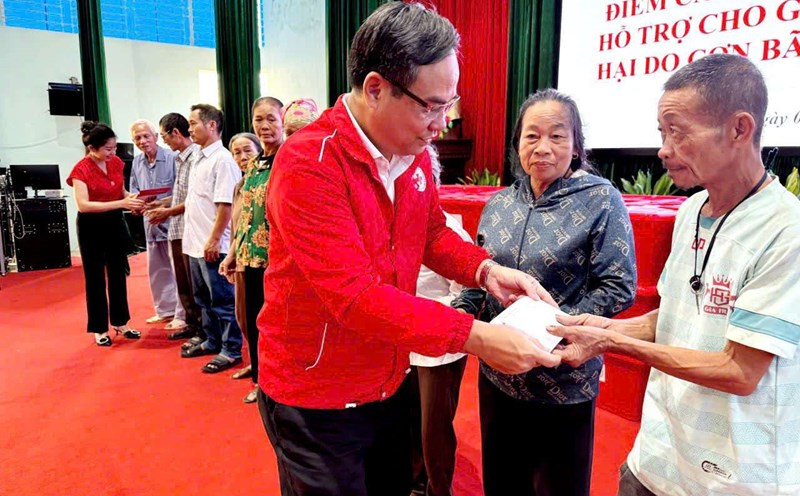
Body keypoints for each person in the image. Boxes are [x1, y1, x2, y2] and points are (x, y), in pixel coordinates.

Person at [256, 3, 561, 495]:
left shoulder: (411, 151)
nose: (442, 122)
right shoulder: (309, 163)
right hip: (317, 394)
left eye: (449, 104)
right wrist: (475, 337)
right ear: (376, 88)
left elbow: (432, 233)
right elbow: (354, 297)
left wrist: (485, 271)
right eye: (431, 106)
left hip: (388, 376)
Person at [549, 54, 800, 496]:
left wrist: (611, 343)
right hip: (656, 459)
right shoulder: (691, 211)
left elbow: (740, 371)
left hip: (733, 480)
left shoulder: (786, 229)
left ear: (739, 129)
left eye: (678, 132)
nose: (664, 149)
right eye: (662, 133)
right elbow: (675, 317)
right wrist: (603, 326)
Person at [451, 89, 637, 496]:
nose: (543, 148)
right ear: (517, 143)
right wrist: (460, 313)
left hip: (564, 375)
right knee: (503, 481)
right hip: (499, 371)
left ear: (576, 145)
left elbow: (618, 286)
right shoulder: (499, 204)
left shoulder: (601, 200)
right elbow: (481, 279)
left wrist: (551, 328)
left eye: (557, 136)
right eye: (532, 136)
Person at [408, 147, 473, 496]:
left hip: (438, 348)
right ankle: (413, 481)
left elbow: (466, 295)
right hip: (397, 341)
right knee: (403, 421)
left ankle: (438, 488)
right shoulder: (389, 225)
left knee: (433, 429)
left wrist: (423, 320)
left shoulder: (450, 232)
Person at [67, 121, 145, 346]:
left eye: (114, 147)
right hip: (91, 226)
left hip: (114, 223)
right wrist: (121, 203)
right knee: (95, 278)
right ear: (92, 148)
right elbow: (83, 205)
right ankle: (99, 328)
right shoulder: (80, 170)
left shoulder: (117, 163)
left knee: (118, 275)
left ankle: (121, 322)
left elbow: (121, 191)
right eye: (108, 149)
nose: (113, 152)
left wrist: (134, 200)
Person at [180, 104, 243, 374]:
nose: (189, 129)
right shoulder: (199, 157)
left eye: (193, 123)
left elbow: (225, 205)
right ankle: (212, 339)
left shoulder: (223, 160)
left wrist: (215, 240)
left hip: (213, 244)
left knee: (223, 301)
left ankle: (231, 350)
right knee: (204, 299)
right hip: (195, 243)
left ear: (212, 125)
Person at [220, 126, 270, 404]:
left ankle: (264, 378)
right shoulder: (241, 185)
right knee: (244, 318)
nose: (242, 157)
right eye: (236, 153)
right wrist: (230, 256)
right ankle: (255, 364)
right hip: (242, 258)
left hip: (262, 260)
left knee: (260, 320)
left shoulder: (267, 179)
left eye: (247, 151)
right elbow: (240, 228)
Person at [146, 113, 204, 343]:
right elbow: (181, 194)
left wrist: (167, 212)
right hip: (179, 229)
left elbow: (195, 199)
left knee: (194, 283)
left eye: (164, 136)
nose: (164, 141)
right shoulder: (181, 158)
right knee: (183, 282)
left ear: (176, 133)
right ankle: (192, 324)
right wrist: (162, 203)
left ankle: (202, 329)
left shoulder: (196, 157)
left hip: (192, 229)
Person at [128, 119, 181, 330]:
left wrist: (164, 204)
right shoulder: (137, 162)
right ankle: (164, 310)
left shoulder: (173, 158)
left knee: (178, 271)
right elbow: (134, 189)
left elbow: (181, 191)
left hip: (173, 222)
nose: (142, 141)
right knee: (157, 270)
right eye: (137, 138)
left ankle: (182, 314)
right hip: (150, 223)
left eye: (146, 136)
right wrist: (134, 204)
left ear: (156, 137)